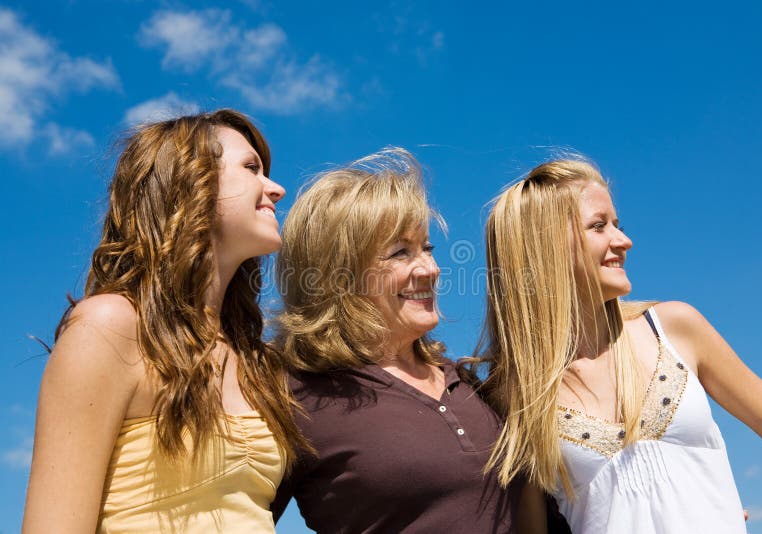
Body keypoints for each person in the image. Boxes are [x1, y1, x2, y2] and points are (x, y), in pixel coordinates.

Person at [470, 159, 762, 533]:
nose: (623, 241)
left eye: (617, 224)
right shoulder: (517, 396)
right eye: (599, 226)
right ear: (544, 248)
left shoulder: (675, 327)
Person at [22, 109, 306, 533]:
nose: (277, 189)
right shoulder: (109, 327)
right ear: (191, 182)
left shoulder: (257, 361)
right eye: (251, 169)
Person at [269, 148, 520, 533]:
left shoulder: (467, 383)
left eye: (427, 249)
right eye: (401, 252)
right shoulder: (294, 398)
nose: (431, 269)